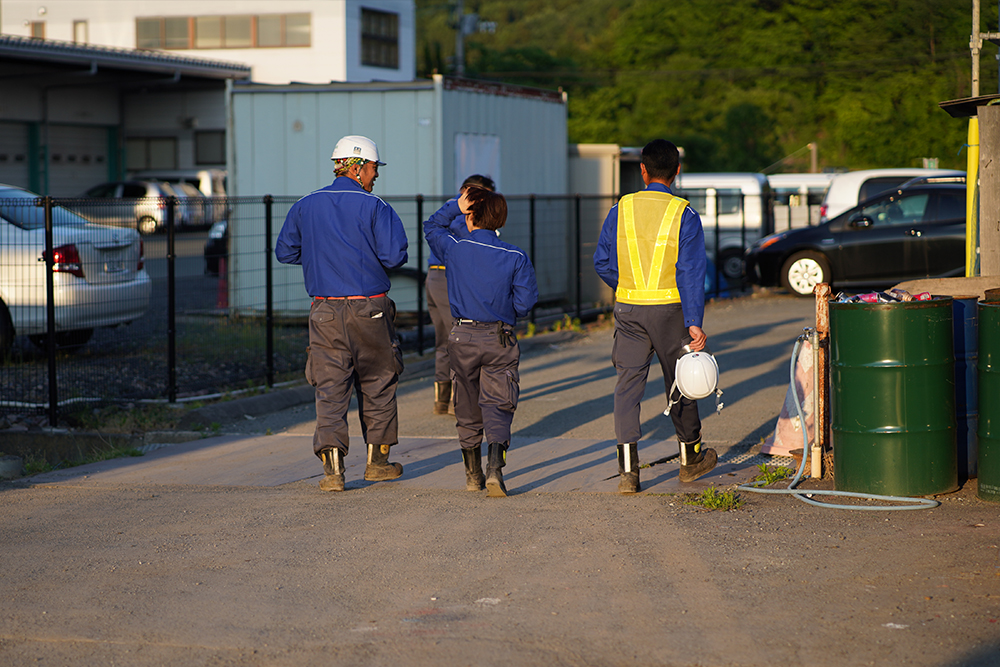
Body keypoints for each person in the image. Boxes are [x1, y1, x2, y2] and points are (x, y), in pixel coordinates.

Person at [275, 135, 409, 493]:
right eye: (373, 169)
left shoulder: (305, 205)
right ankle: (377, 464)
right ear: (359, 167)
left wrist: (323, 256)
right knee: (379, 381)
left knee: (330, 386)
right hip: (370, 308)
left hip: (324, 310)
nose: (375, 176)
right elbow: (395, 256)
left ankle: (332, 470)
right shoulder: (375, 207)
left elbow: (285, 252)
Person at [593, 139, 717, 494]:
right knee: (680, 382)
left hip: (629, 308)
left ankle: (628, 473)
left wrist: (628, 285)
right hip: (670, 311)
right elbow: (691, 272)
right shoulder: (685, 213)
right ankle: (690, 458)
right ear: (677, 172)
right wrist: (694, 321)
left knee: (627, 386)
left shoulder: (621, 208)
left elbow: (602, 261)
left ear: (643, 171)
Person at [423, 187, 538, 497]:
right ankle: (495, 470)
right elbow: (526, 304)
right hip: (499, 336)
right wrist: (505, 312)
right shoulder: (515, 256)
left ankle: (472, 474)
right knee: (499, 402)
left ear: (470, 216)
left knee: (466, 402)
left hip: (462, 335)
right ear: (500, 218)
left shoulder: (455, 249)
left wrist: (455, 207)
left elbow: (431, 226)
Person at [424, 174, 497, 415]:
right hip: (448, 280)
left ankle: (441, 400)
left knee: (444, 340)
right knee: (459, 338)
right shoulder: (462, 217)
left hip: (434, 277)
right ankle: (458, 400)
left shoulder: (448, 211)